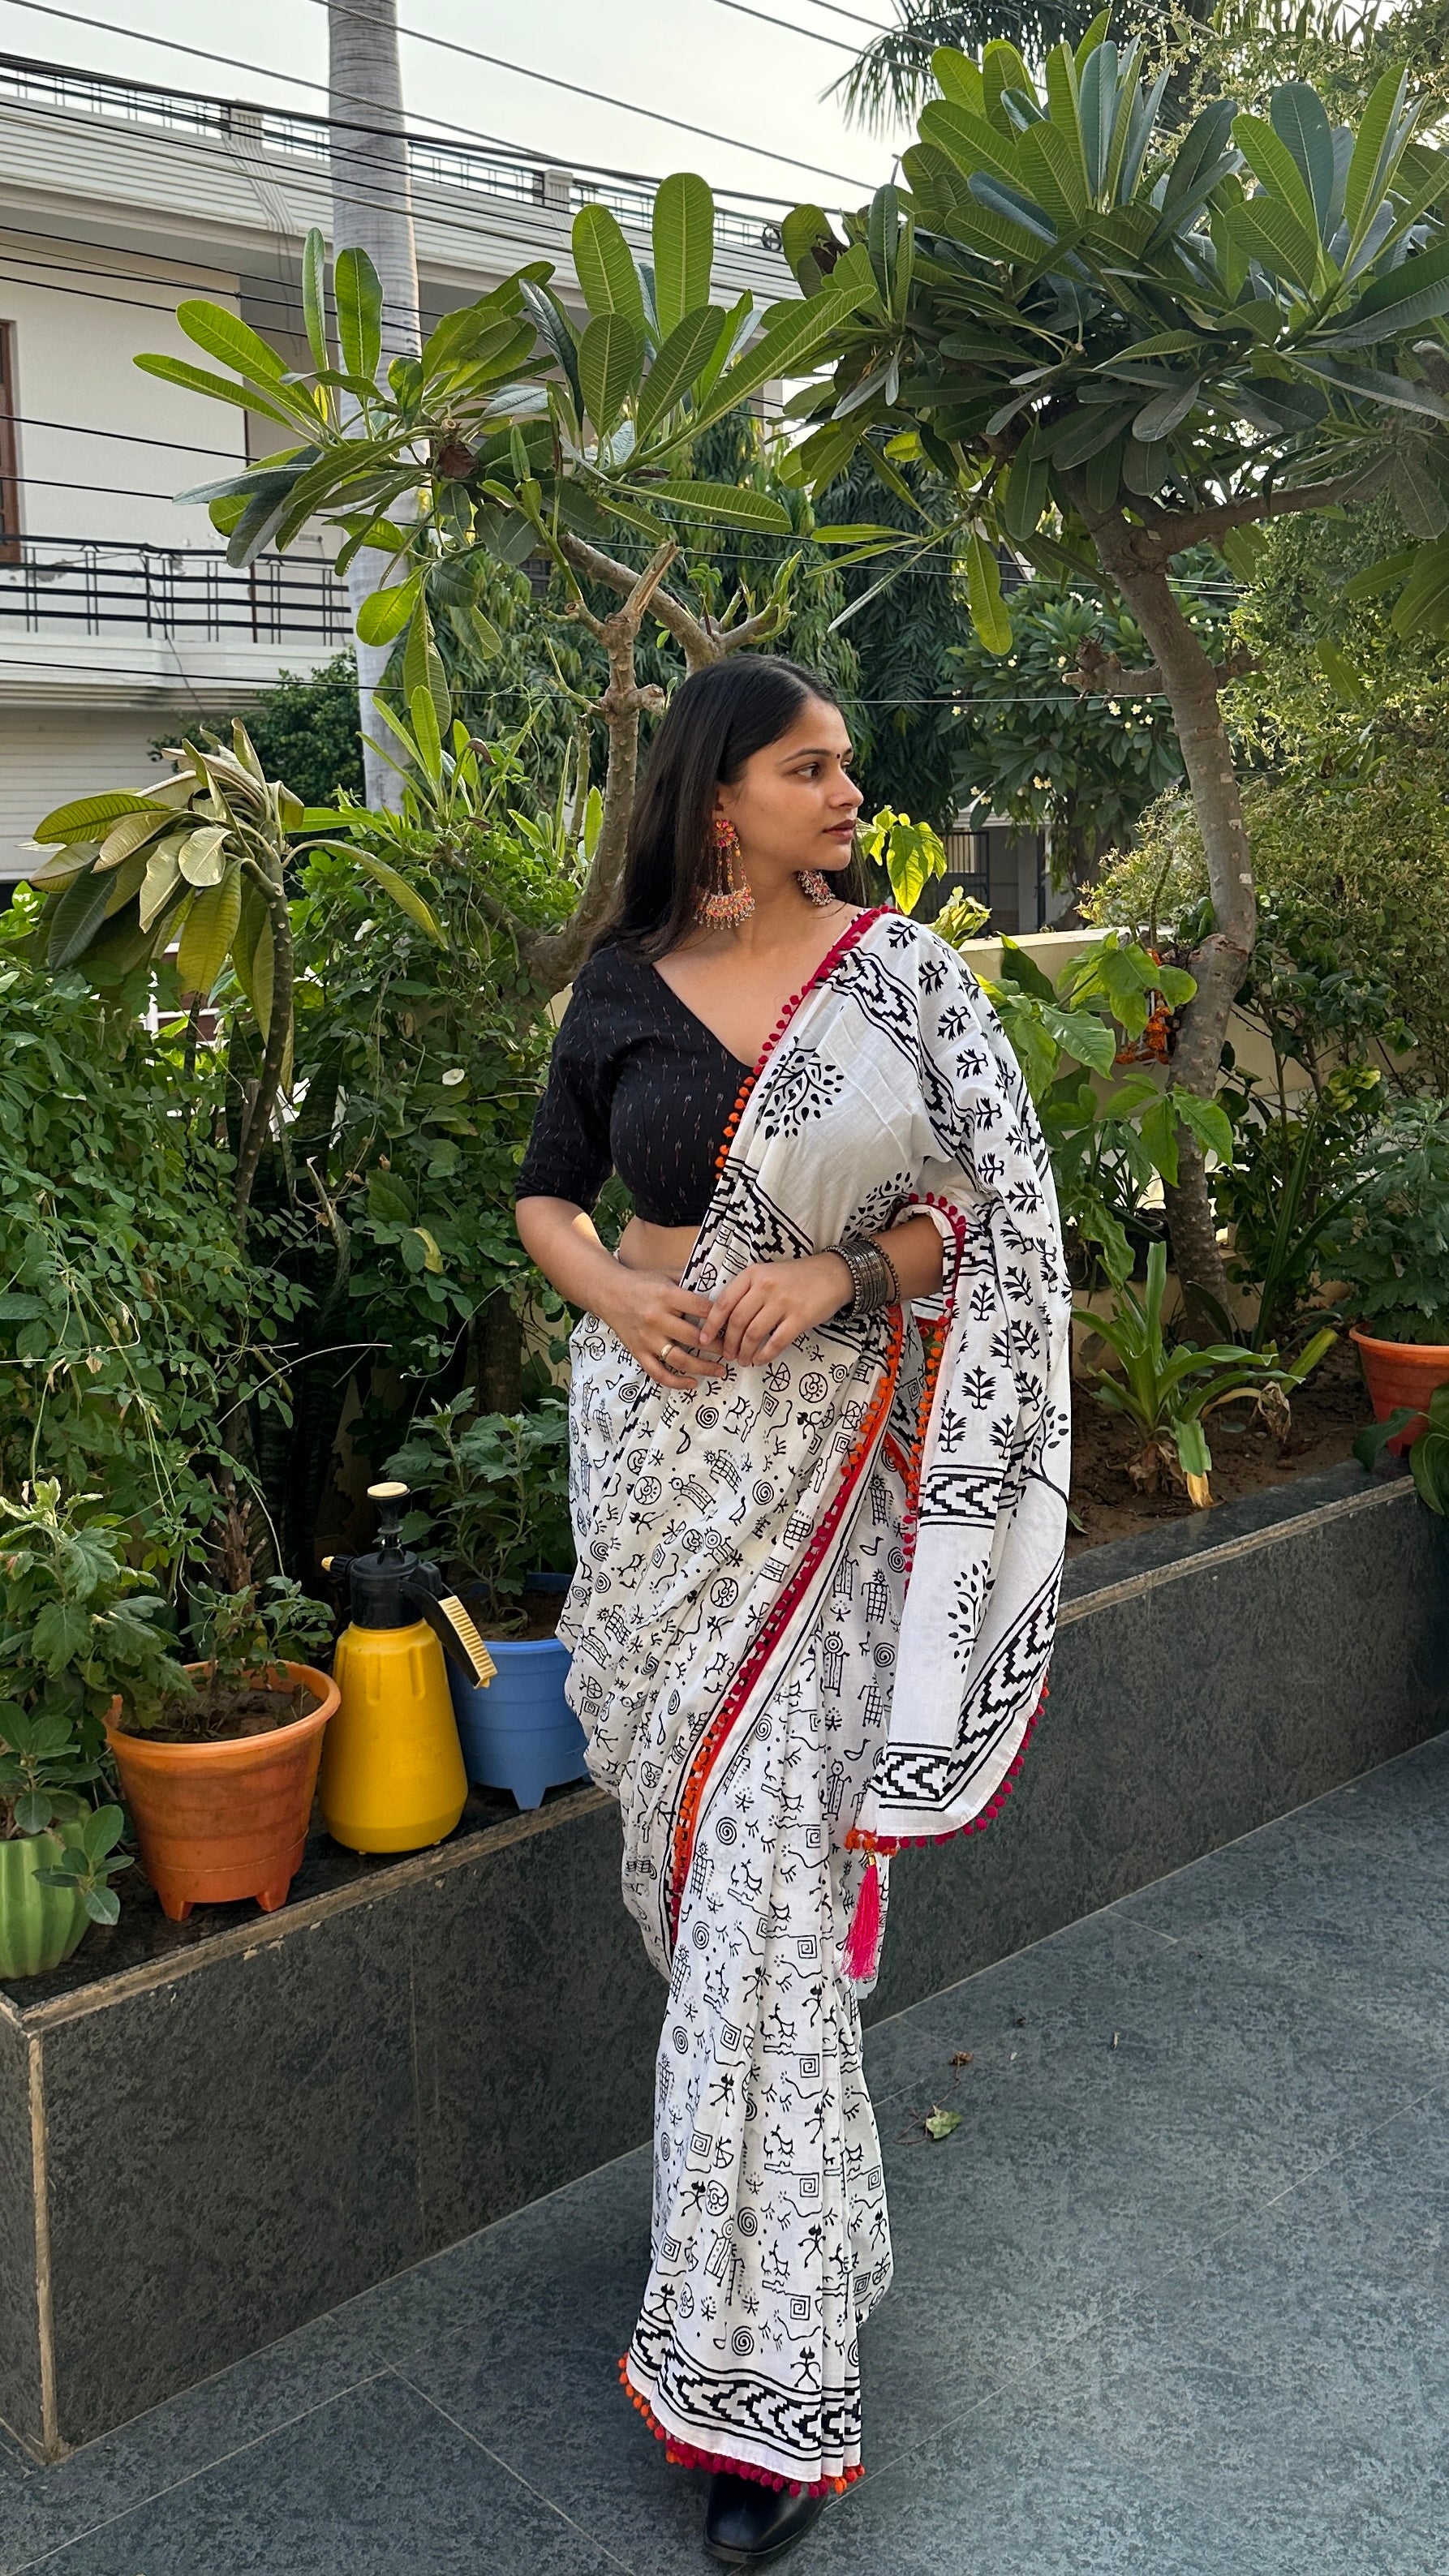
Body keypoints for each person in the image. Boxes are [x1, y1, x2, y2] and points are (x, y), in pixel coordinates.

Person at [515, 656, 1070, 2566]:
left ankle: (756, 2393)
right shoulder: (624, 979)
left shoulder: (905, 979)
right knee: (711, 1911)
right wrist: (611, 1298)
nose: (847, 789)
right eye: (806, 765)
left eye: (845, 762)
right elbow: (545, 1200)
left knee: (760, 1893)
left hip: (815, 1486)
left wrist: (841, 1274)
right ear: (718, 796)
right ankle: (803, 2226)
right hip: (654, 1476)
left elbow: (983, 1218)